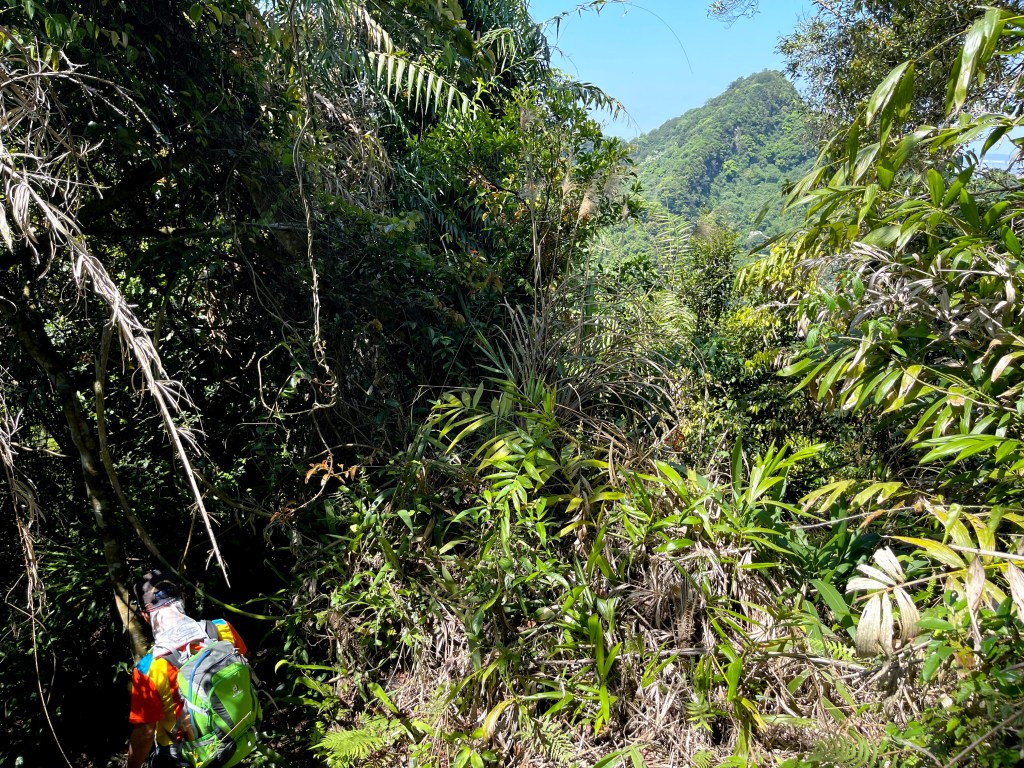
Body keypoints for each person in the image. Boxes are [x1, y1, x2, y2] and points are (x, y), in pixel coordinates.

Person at [126, 569, 248, 768]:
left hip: (186, 756)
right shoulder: (222, 628)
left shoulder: (148, 668)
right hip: (233, 739)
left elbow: (145, 733)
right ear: (182, 598)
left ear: (146, 616)